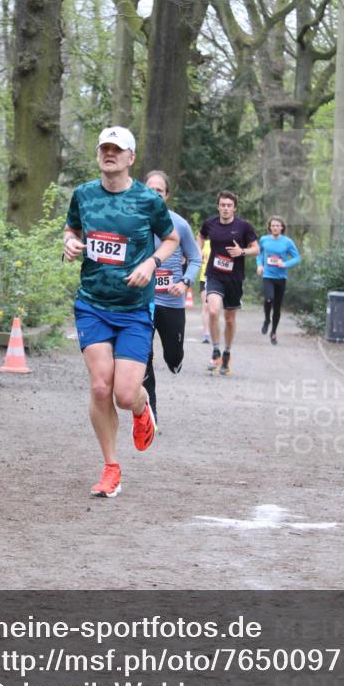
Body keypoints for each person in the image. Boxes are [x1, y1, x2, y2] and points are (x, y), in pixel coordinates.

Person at [63, 127, 179, 499]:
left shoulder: (148, 200)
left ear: (131, 158)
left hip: (133, 309)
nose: (109, 154)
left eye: (117, 150)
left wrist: (152, 263)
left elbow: (171, 238)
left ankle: (143, 409)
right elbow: (70, 228)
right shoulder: (83, 195)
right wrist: (69, 242)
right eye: (104, 149)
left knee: (125, 395)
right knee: (100, 386)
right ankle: (111, 468)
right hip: (93, 304)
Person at [142, 171, 202, 429]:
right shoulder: (133, 222)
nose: (154, 193)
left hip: (172, 301)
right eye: (150, 189)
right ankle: (150, 414)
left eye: (159, 190)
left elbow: (196, 258)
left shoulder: (179, 224)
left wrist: (185, 282)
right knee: (144, 356)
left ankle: (175, 358)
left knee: (172, 356)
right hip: (142, 301)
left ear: (166, 195)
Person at [197, 191, 258, 376]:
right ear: (218, 207)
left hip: (234, 278)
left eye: (229, 205)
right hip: (214, 275)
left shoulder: (244, 226)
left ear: (234, 208)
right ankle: (215, 349)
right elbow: (200, 236)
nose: (225, 208)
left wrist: (242, 252)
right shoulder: (210, 223)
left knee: (230, 318)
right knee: (213, 310)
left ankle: (227, 352)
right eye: (222, 205)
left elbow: (256, 249)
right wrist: (198, 251)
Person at [256, 215, 301, 345]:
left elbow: (297, 258)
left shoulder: (287, 242)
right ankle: (266, 320)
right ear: (270, 227)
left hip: (281, 278)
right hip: (268, 276)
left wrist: (285, 264)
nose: (275, 228)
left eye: (277, 226)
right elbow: (259, 253)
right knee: (269, 298)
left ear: (282, 227)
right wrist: (259, 265)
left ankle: (273, 332)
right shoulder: (264, 240)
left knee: (277, 307)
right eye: (273, 225)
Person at [199, 239, 211, 343]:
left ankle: (213, 329)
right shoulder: (204, 244)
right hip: (205, 279)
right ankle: (206, 333)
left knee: (214, 308)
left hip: (219, 279)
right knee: (206, 306)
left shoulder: (223, 243)